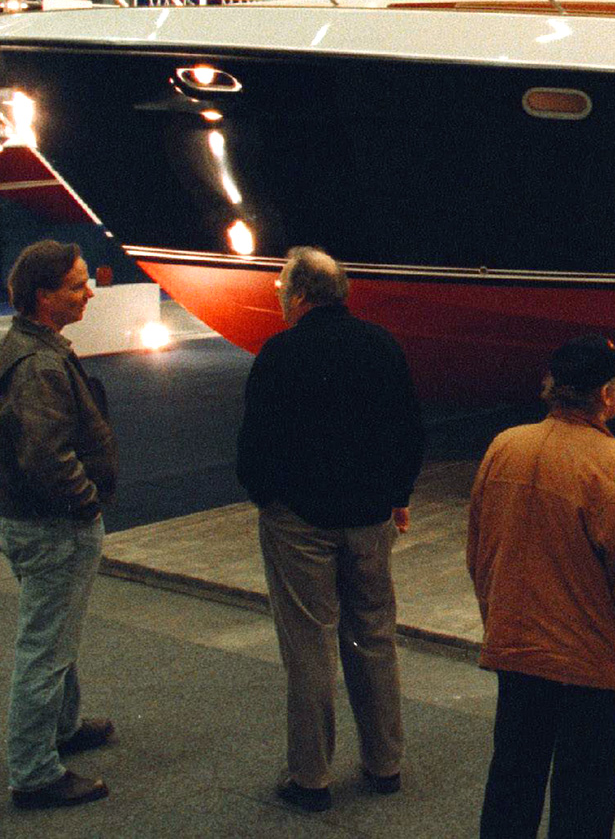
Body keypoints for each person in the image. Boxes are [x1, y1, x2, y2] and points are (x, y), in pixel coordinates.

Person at [469, 337, 615, 839]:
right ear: (606, 396)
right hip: (590, 666)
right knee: (583, 799)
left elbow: (480, 554)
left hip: (518, 651)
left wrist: (499, 621)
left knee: (512, 782)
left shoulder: (505, 448)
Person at [236, 247, 426, 814]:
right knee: (375, 636)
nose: (275, 295)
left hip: (299, 521)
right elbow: (410, 432)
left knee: (309, 644)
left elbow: (254, 444)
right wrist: (397, 498)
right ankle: (384, 764)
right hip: (370, 519)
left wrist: (267, 498)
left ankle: (312, 777)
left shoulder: (280, 353)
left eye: (279, 288)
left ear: (299, 297)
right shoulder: (381, 345)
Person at [0, 240, 118, 810]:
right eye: (77, 284)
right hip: (52, 528)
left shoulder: (19, 346)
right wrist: (85, 504)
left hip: (27, 522)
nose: (90, 291)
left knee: (56, 635)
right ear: (44, 297)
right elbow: (45, 457)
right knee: (46, 646)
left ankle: (62, 726)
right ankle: (34, 772)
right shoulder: (38, 364)